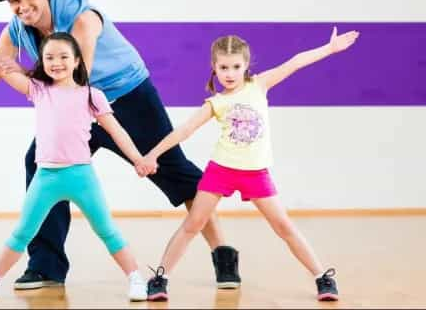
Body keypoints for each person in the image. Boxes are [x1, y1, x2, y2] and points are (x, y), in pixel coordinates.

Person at [0, 0, 240, 289]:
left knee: (172, 169)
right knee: (42, 164)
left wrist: (2, 68)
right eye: (14, 1)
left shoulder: (83, 18)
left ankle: (223, 253)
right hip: (74, 108)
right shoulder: (15, 29)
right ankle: (46, 268)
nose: (22, 6)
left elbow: (76, 77)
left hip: (127, 97)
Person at [143, 28, 360, 301]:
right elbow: (184, 130)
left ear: (246, 65)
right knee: (193, 223)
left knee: (284, 226)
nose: (230, 73)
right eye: (223, 67)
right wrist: (152, 155)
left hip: (255, 172)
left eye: (235, 66)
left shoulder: (259, 85)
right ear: (214, 67)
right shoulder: (216, 102)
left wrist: (329, 49)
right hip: (221, 170)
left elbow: (294, 62)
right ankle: (160, 278)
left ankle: (322, 278)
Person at [0, 32, 157, 301]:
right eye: (49, 57)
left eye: (64, 56)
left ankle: (136, 279)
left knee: (107, 230)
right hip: (46, 177)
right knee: (22, 232)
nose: (57, 62)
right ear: (42, 61)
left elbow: (117, 132)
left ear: (77, 60)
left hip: (81, 176)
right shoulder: (38, 90)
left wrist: (138, 159)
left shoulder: (92, 95)